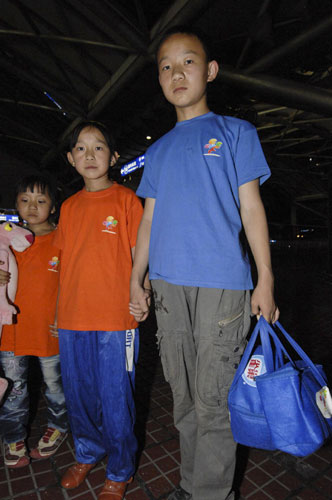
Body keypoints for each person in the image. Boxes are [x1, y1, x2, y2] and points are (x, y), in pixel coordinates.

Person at [129, 27, 280, 500]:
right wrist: (137, 279)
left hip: (222, 287)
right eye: (166, 66)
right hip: (169, 288)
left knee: (214, 402)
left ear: (210, 71)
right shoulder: (156, 152)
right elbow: (148, 223)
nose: (177, 72)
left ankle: (213, 495)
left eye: (188, 62)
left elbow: (252, 209)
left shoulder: (236, 133)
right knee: (183, 399)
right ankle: (192, 486)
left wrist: (266, 280)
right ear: (159, 79)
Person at [55, 121, 145, 500]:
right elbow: (63, 263)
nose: (89, 155)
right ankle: (87, 452)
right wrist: (56, 314)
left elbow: (141, 254)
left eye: (98, 147)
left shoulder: (127, 200)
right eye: (80, 148)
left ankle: (120, 469)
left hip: (114, 319)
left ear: (114, 156)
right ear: (71, 159)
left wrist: (143, 290)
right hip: (73, 319)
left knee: (115, 398)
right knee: (78, 395)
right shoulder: (69, 207)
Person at [0, 174, 68, 468]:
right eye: (25, 200)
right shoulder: (7, 238)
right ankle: (12, 436)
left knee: (55, 386)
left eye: (41, 201)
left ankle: (59, 426)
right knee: (14, 389)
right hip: (11, 332)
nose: (32, 206)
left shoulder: (63, 238)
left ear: (53, 207)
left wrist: (65, 317)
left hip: (49, 331)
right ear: (15, 203)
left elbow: (73, 282)